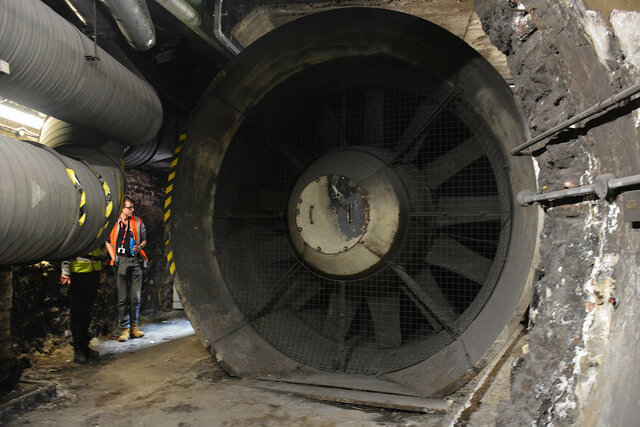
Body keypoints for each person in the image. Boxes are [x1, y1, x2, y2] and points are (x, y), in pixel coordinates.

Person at [105, 197, 149, 342]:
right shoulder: (114, 223)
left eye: (132, 207)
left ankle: (134, 327)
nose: (132, 210)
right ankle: (124, 329)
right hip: (121, 261)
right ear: (122, 209)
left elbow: (144, 239)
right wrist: (114, 258)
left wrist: (140, 246)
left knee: (135, 297)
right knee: (122, 298)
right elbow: (107, 241)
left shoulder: (137, 221)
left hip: (135, 261)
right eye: (129, 207)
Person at [60, 248, 102, 363]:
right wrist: (66, 272)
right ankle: (78, 349)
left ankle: (85, 346)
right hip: (77, 273)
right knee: (78, 312)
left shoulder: (94, 231)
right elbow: (68, 250)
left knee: (87, 312)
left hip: (93, 272)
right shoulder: (79, 230)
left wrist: (98, 271)